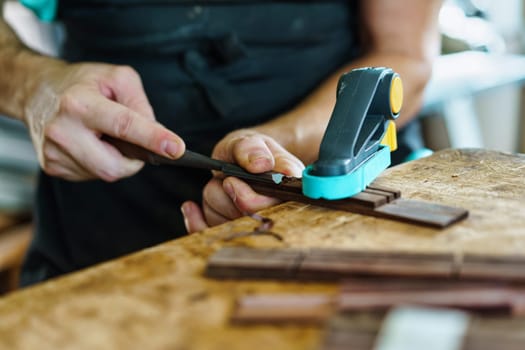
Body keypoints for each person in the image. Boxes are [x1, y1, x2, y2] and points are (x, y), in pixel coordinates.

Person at [0, 0, 443, 286]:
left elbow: (404, 55)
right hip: (105, 239)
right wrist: (31, 85)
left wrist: (277, 147)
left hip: (338, 232)